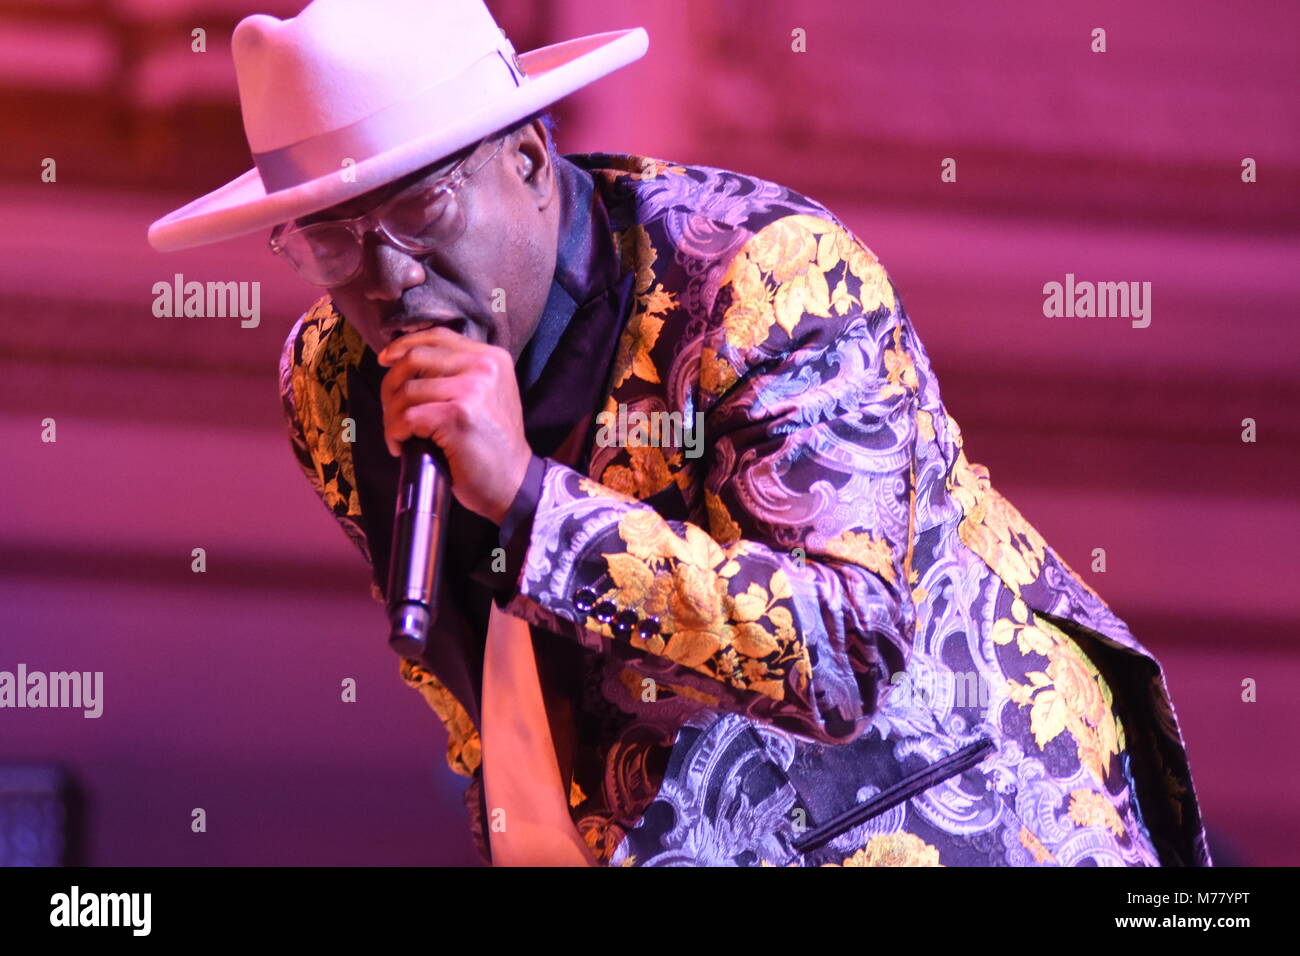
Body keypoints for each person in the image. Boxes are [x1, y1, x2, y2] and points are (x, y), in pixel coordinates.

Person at [148, 0, 1211, 867]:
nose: (387, 280)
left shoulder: (762, 273)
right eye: (330, 241)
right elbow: (495, 702)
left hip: (953, 823)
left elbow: (840, 656)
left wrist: (527, 498)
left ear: (523, 160)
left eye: (422, 212)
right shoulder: (331, 381)